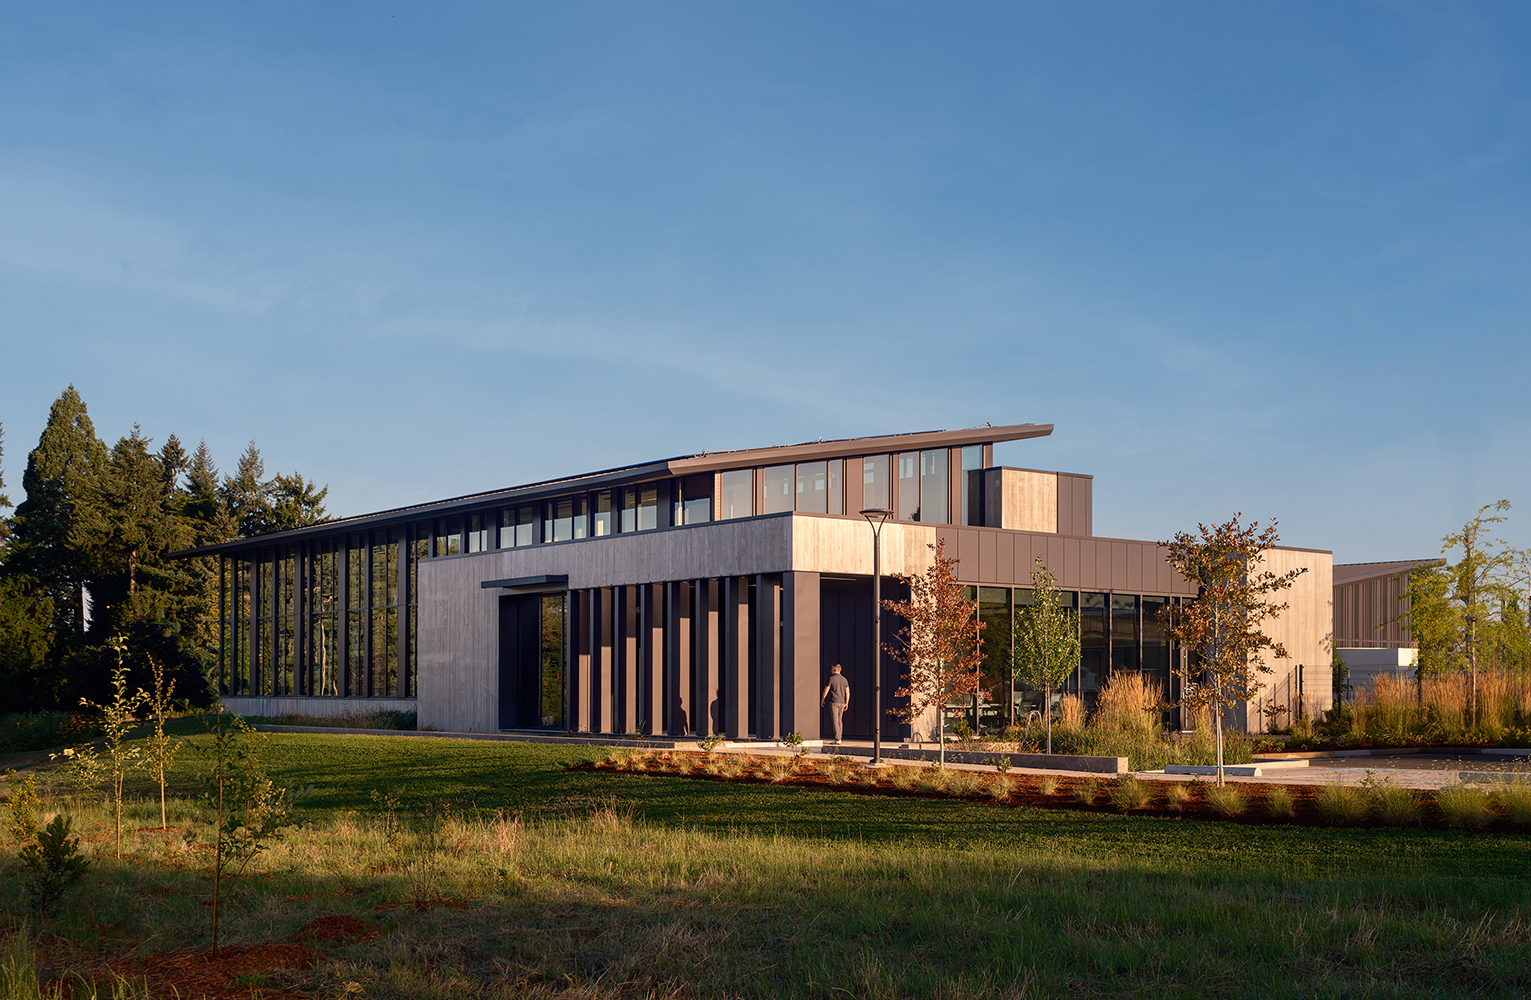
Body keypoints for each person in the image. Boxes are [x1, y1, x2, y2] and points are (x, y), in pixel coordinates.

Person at [821, 663, 850, 745]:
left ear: (835, 669)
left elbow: (826, 689)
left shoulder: (831, 679)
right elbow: (847, 692)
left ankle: (837, 739)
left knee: (835, 721)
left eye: (832, 669)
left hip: (834, 702)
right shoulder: (844, 679)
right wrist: (846, 703)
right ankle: (839, 737)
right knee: (840, 720)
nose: (831, 670)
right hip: (842, 702)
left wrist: (823, 699)